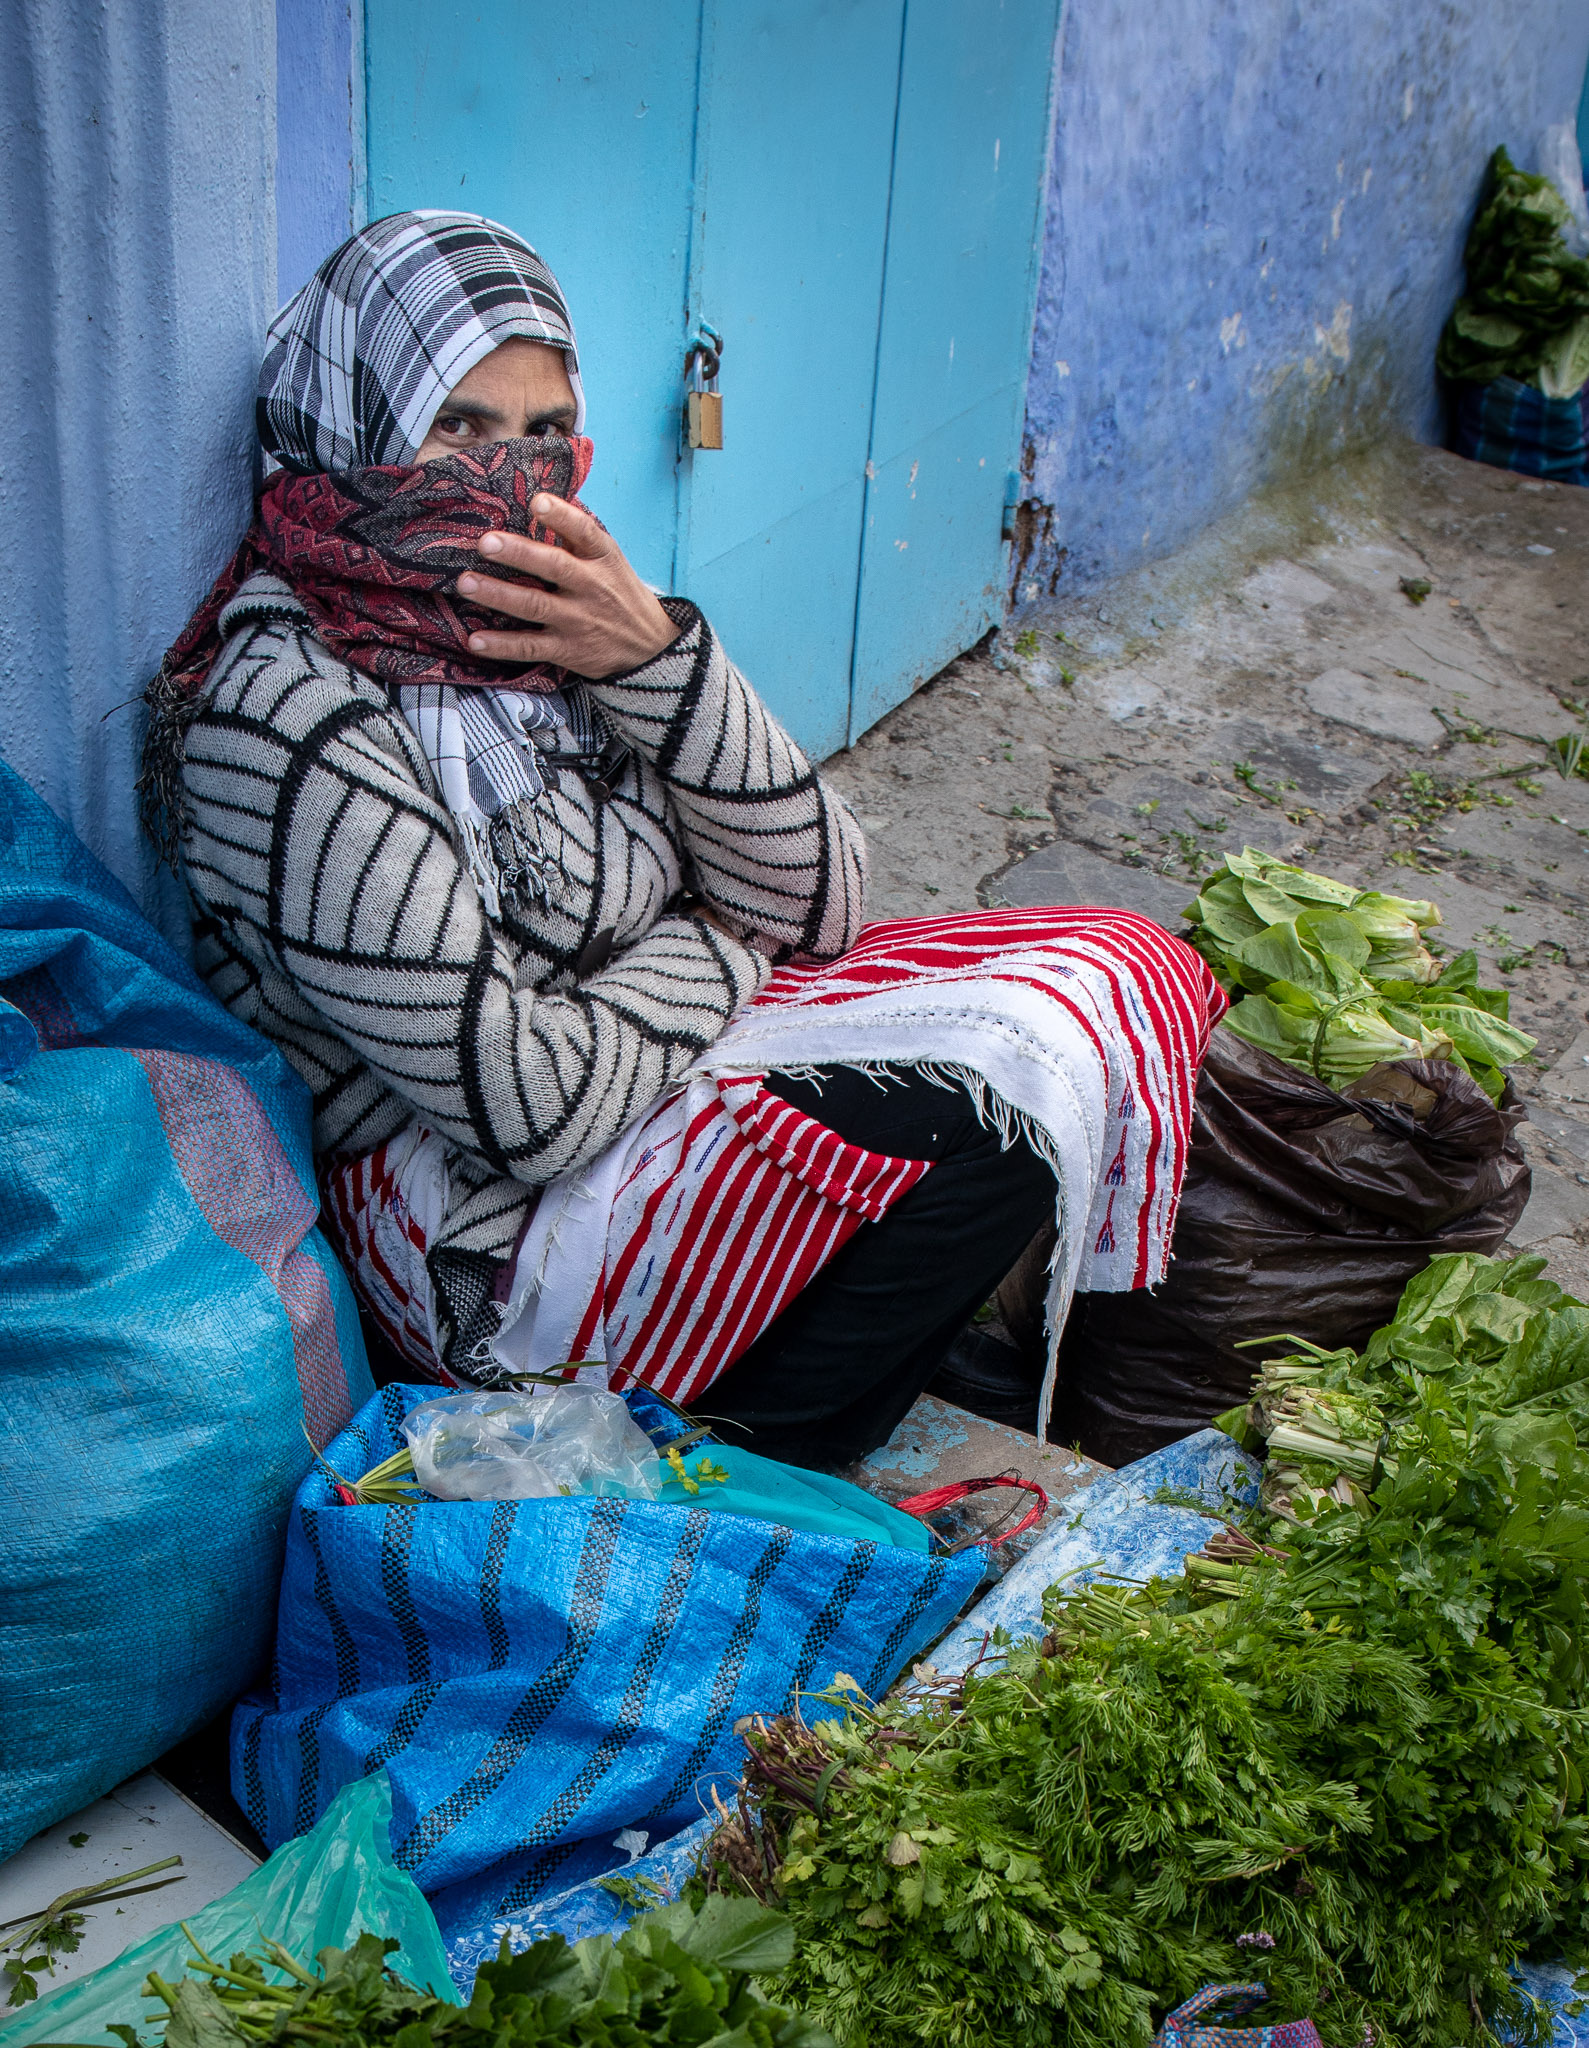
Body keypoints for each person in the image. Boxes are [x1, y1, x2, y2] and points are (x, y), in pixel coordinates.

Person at [144, 211, 1225, 1470]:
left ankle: (812, 1350)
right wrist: (718, 948)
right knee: (981, 1121)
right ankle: (746, 1460)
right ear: (355, 431)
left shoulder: (556, 606)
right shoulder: (285, 715)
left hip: (624, 1063)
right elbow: (521, 1104)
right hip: (455, 1221)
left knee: (1099, 977)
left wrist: (659, 658)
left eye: (545, 430)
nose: (512, 477)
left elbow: (819, 900)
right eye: (460, 429)